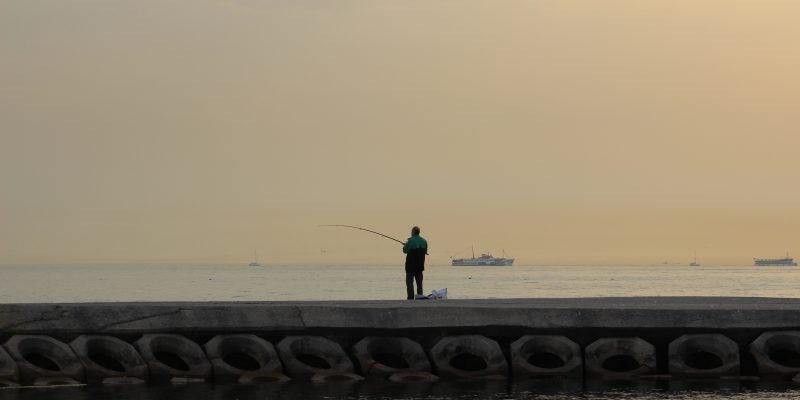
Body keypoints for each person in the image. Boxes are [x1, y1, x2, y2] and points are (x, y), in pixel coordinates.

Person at [402, 226, 428, 300]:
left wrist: (405, 245)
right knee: (419, 284)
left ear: (413, 232)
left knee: (410, 283)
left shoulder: (410, 241)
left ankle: (410, 298)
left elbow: (405, 250)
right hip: (420, 266)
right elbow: (425, 251)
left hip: (410, 266)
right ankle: (420, 297)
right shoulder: (424, 241)